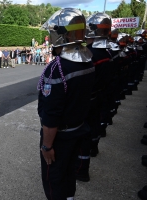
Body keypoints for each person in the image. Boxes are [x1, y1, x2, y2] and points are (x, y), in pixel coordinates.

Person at [38, 8, 95, 200]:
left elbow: (51, 114)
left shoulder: (57, 69)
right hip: (78, 130)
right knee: (70, 175)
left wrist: (47, 146)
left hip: (60, 138)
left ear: (63, 35)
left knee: (54, 181)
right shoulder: (87, 60)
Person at [75, 12, 112, 182]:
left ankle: (82, 170)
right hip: (101, 96)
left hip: (87, 100)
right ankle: (93, 149)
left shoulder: (89, 54)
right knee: (94, 128)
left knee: (82, 135)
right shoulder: (107, 53)